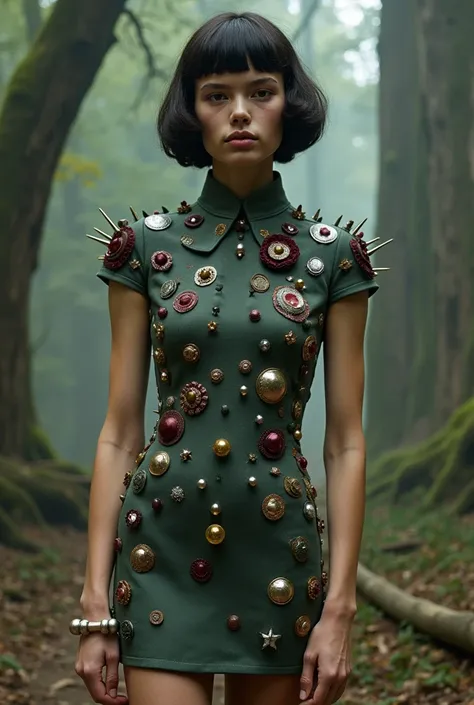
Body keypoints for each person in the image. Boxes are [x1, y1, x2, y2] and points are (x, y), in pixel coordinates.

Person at [73, 11, 390, 705]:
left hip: (282, 557)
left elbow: (345, 443)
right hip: (158, 555)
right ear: (192, 110)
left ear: (290, 104)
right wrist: (96, 601)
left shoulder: (336, 256)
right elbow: (119, 431)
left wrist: (339, 607)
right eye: (217, 94)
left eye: (261, 90)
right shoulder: (143, 250)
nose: (240, 112)